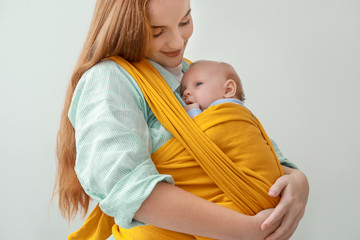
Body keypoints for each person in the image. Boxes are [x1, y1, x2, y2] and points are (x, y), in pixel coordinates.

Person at [54, 0, 309, 240]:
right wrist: (246, 230)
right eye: (156, 32)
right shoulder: (110, 80)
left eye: (185, 21)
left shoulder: (194, 74)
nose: (177, 42)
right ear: (126, 28)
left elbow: (243, 145)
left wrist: (298, 181)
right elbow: (128, 188)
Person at [180, 60, 246, 118]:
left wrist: (193, 113)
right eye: (183, 90)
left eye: (198, 84)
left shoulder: (230, 112)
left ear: (228, 90)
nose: (186, 92)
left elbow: (204, 129)